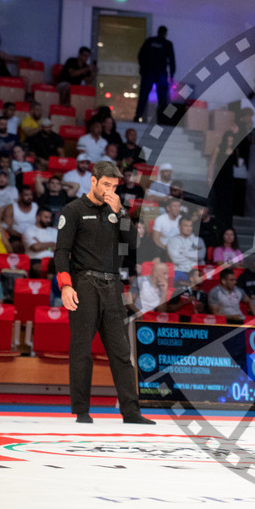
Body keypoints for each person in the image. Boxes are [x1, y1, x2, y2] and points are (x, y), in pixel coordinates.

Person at [54, 160, 154, 425]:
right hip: (83, 285)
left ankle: (131, 412)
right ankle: (82, 411)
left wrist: (120, 212)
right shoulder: (73, 210)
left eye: (114, 186)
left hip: (113, 287)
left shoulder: (116, 211)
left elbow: (134, 244)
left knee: (121, 352)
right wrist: (65, 285)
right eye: (106, 184)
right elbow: (61, 252)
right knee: (81, 350)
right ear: (93, 181)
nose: (110, 189)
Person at [135, 26, 175, 123]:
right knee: (162, 98)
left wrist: (143, 69)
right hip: (160, 73)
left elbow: (140, 56)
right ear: (165, 33)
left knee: (143, 96)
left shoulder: (150, 41)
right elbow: (172, 61)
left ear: (158, 32)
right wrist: (172, 75)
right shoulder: (167, 44)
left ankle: (137, 117)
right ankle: (162, 120)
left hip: (148, 73)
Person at [166, 216, 205, 281]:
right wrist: (194, 257)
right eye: (186, 226)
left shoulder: (199, 240)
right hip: (180, 271)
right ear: (179, 227)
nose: (188, 228)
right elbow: (176, 259)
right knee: (171, 277)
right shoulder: (172, 241)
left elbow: (201, 255)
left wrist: (183, 252)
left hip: (197, 271)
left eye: (190, 226)